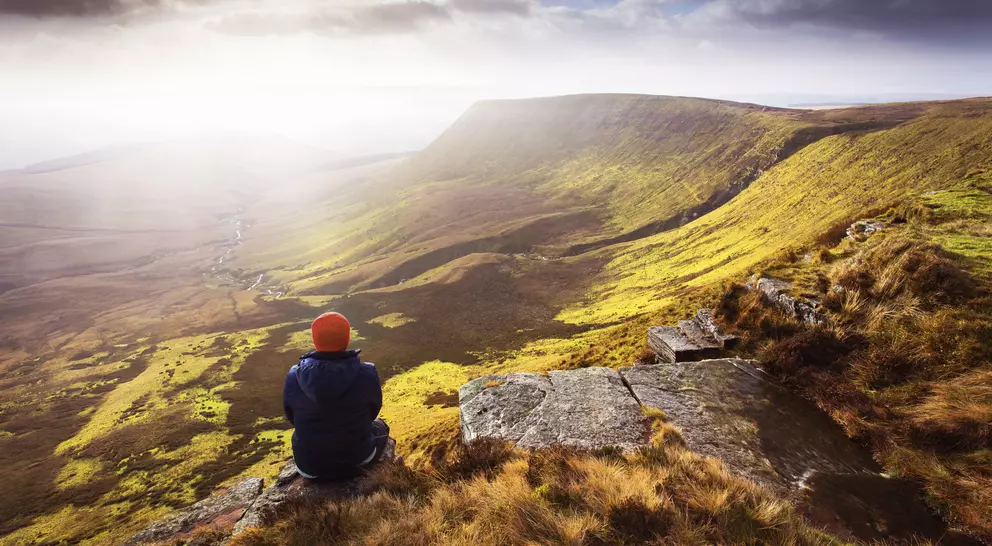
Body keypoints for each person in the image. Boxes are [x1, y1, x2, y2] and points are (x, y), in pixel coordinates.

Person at [283, 311, 389, 480]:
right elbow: (373, 411)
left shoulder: (293, 375)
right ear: (347, 339)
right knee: (380, 425)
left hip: (310, 466)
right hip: (358, 459)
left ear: (315, 340)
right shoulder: (367, 372)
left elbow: (291, 416)